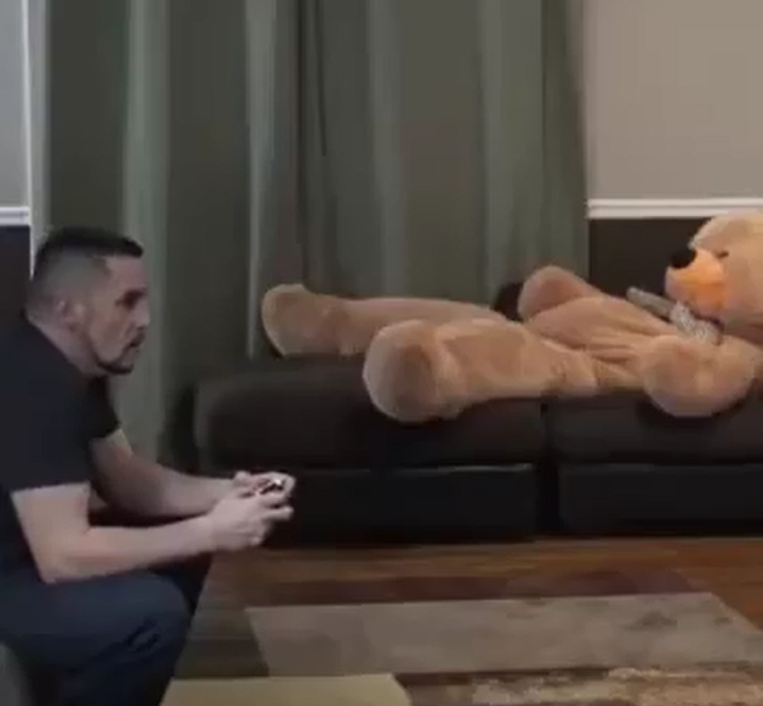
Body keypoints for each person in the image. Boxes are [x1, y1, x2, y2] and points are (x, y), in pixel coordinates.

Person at [0, 226, 296, 706]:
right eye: (127, 302)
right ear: (68, 310)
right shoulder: (33, 384)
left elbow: (127, 479)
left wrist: (226, 493)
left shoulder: (75, 368)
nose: (145, 320)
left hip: (24, 560)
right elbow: (64, 555)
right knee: (151, 615)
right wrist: (210, 531)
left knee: (180, 554)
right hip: (14, 574)